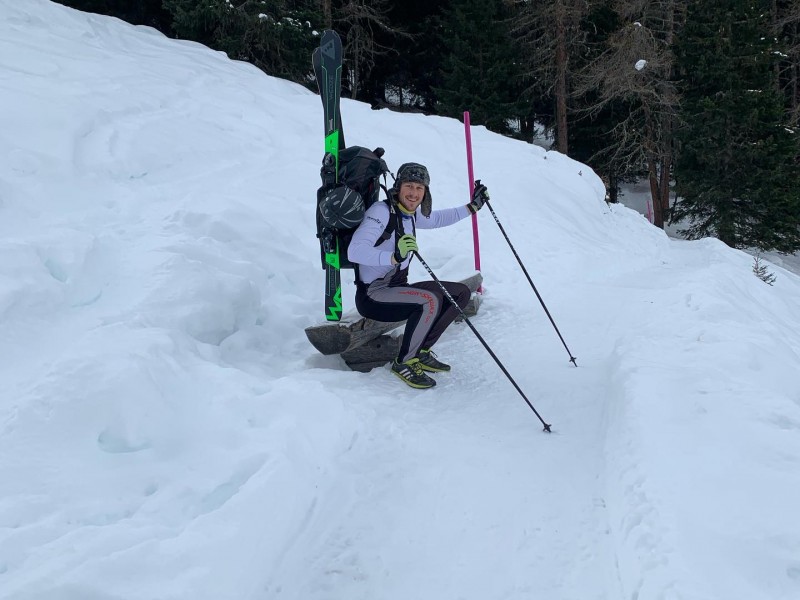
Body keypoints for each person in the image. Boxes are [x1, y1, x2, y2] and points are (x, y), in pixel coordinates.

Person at [347, 162, 490, 388]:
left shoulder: (410, 214)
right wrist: (393, 257)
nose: (414, 193)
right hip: (374, 295)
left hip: (396, 288)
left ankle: (421, 350)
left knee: (460, 293)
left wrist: (473, 207)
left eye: (420, 188)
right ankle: (403, 361)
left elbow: (439, 218)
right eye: (409, 186)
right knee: (429, 300)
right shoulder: (381, 212)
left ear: (426, 192)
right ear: (399, 187)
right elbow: (355, 251)